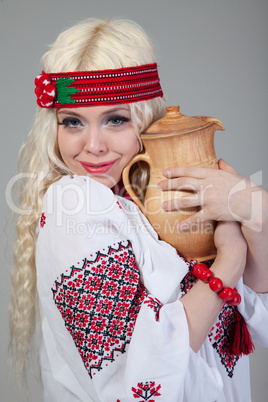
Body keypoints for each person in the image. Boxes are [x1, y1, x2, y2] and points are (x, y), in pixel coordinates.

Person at [9, 18, 268, 402]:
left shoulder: (151, 195)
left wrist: (254, 208)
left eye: (115, 119)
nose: (93, 145)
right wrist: (229, 258)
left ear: (145, 118)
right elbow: (138, 372)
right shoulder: (73, 203)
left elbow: (256, 306)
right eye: (73, 122)